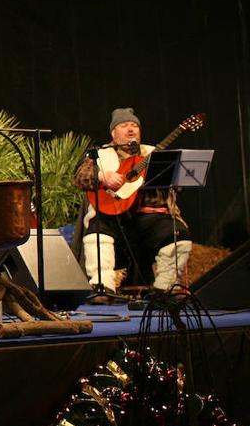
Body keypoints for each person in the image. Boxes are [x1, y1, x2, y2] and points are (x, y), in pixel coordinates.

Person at [73, 107, 191, 293]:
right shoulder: (101, 154)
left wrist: (177, 179)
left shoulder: (153, 153)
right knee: (97, 234)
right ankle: (102, 287)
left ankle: (165, 288)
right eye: (124, 125)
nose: (131, 129)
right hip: (112, 219)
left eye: (134, 125)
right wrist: (103, 176)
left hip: (150, 219)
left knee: (178, 237)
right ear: (113, 133)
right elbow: (80, 178)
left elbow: (175, 181)